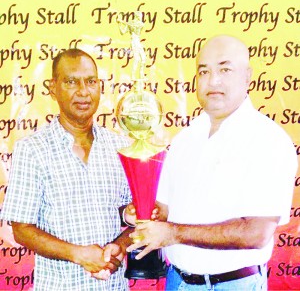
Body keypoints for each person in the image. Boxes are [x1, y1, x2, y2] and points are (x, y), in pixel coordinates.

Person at [125, 35, 298, 290]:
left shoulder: (268, 140)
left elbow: (256, 233)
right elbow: (164, 208)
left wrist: (172, 233)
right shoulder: (185, 138)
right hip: (178, 281)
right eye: (204, 71)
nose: (213, 80)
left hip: (233, 284)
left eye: (225, 69)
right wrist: (142, 213)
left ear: (247, 76)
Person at [1, 49, 133, 290]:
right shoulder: (32, 150)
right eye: (72, 81)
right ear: (53, 87)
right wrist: (78, 254)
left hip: (113, 286)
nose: (83, 91)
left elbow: (133, 216)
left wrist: (121, 246)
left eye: (91, 81)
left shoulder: (120, 147)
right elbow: (22, 230)